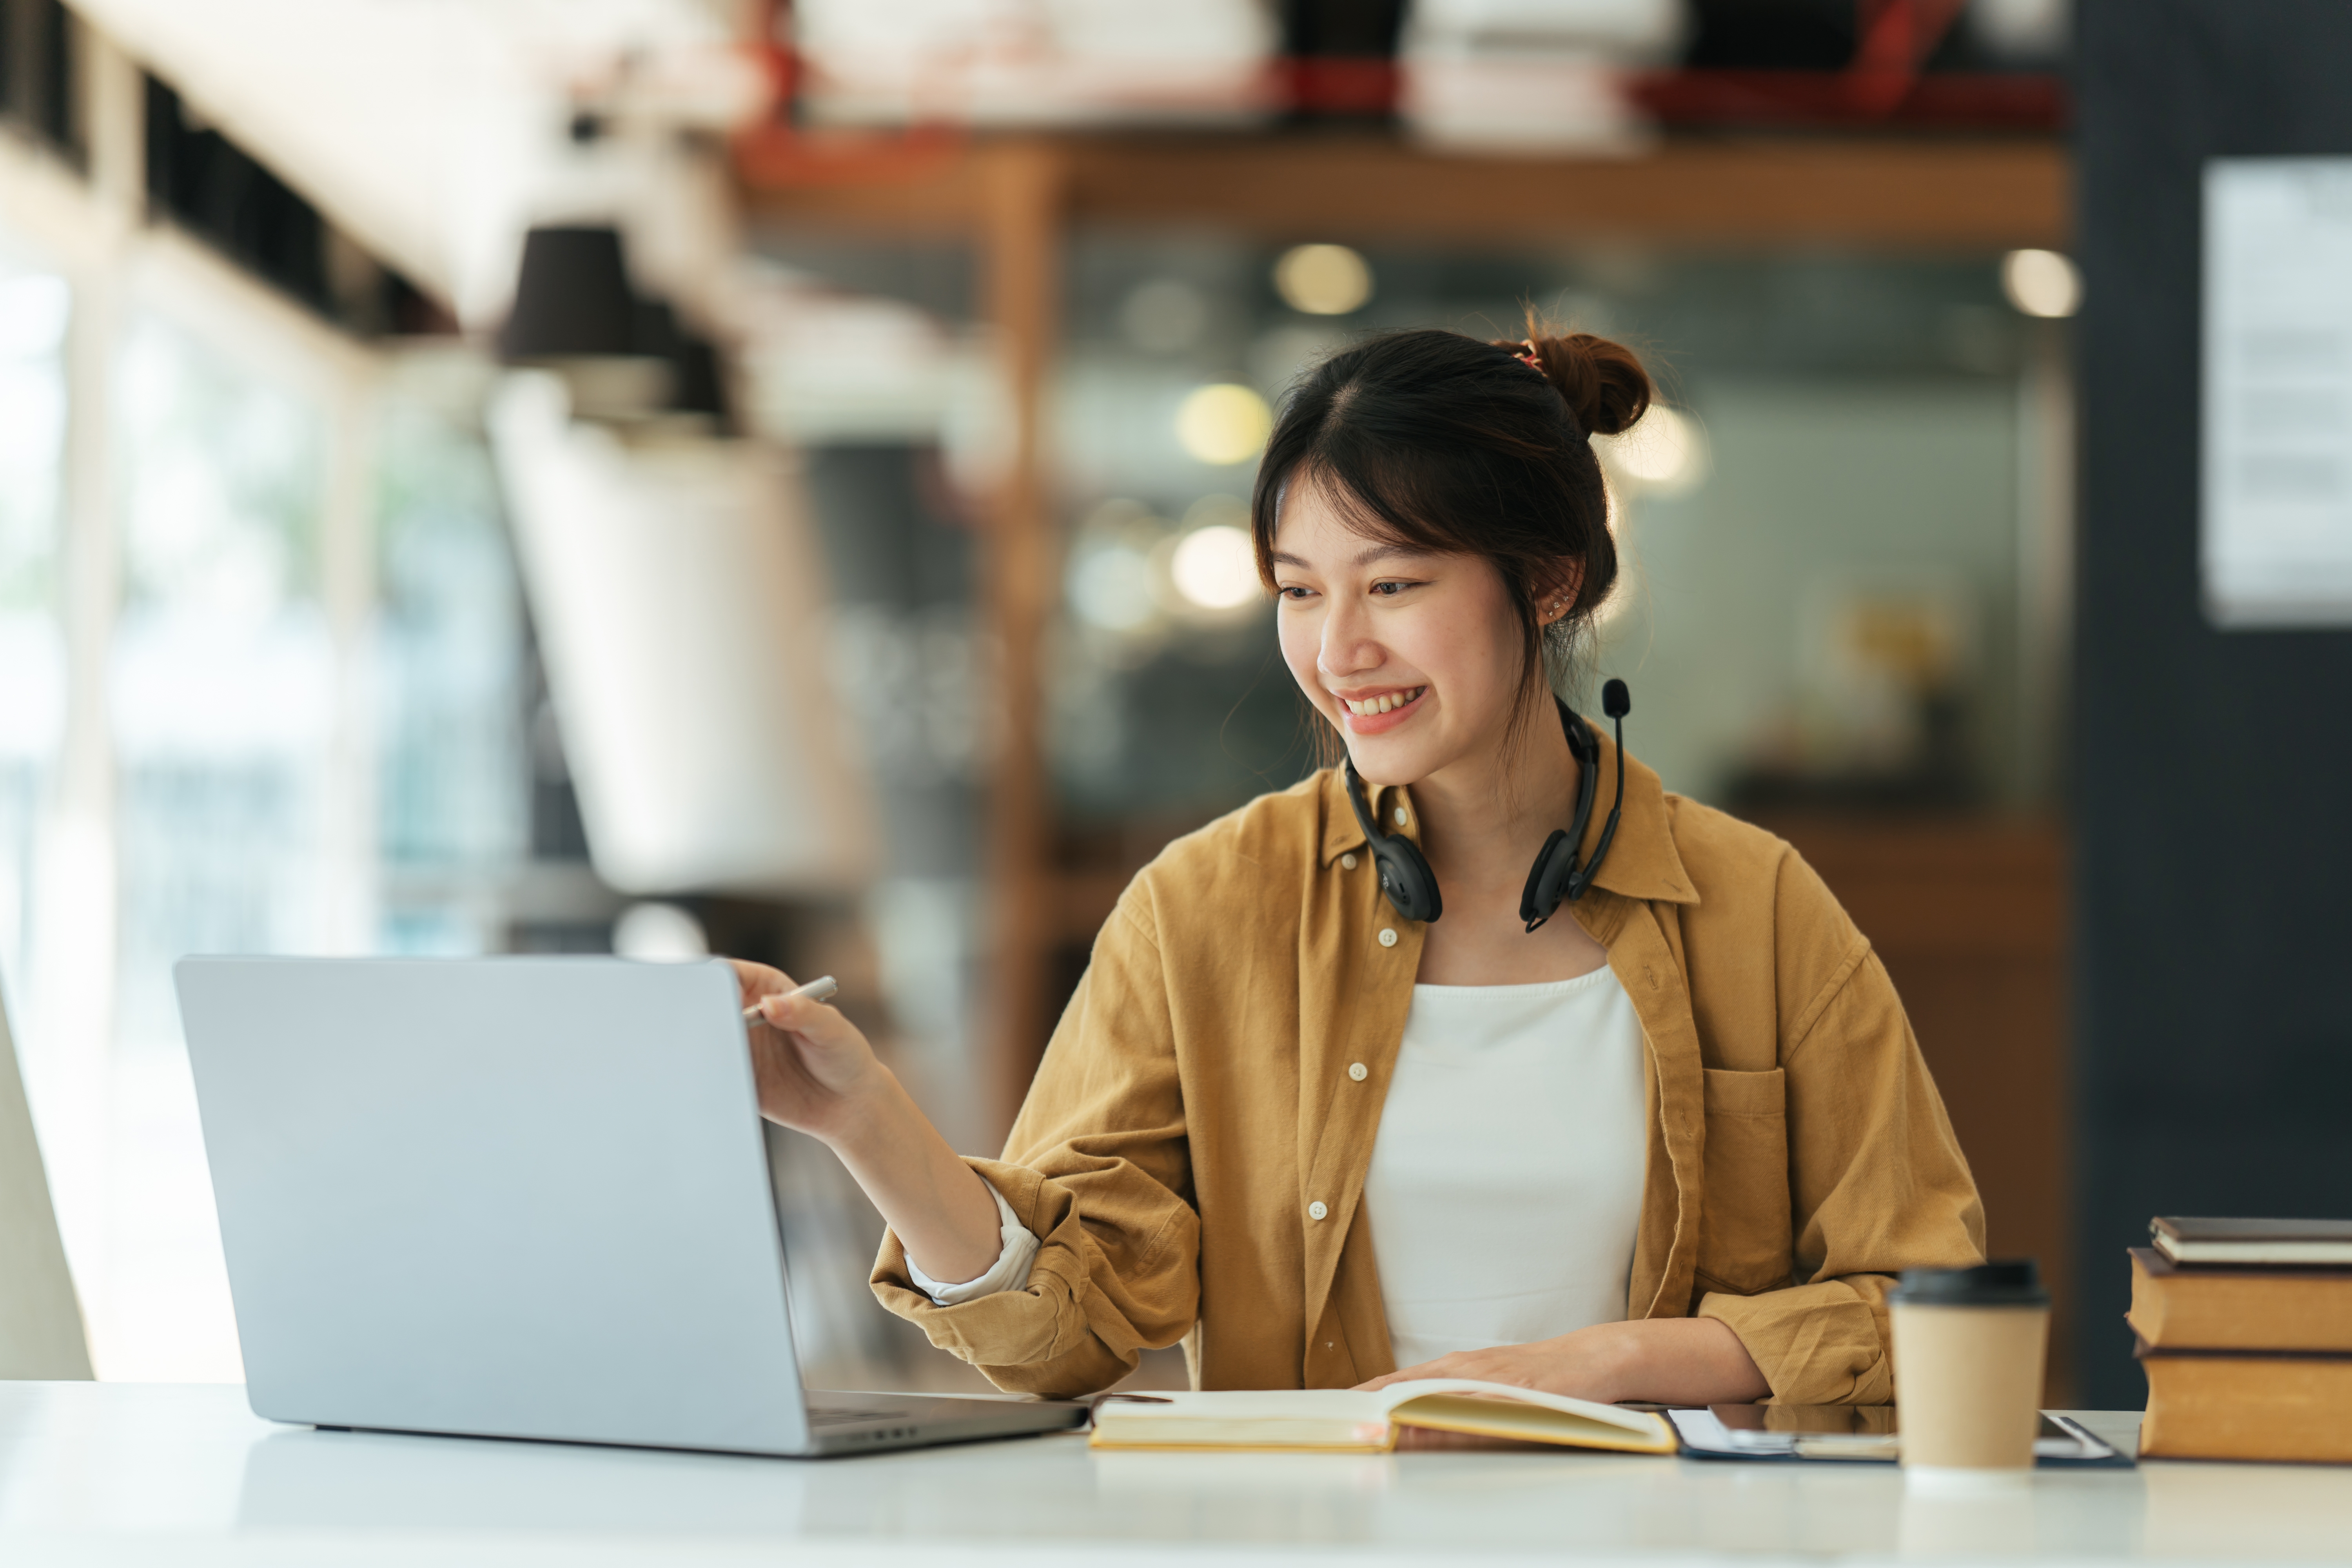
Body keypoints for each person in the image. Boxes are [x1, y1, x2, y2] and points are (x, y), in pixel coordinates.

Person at [731, 325, 1984, 1405]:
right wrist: (865, 1122)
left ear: (1545, 583)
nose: (1339, 652)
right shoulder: (1203, 909)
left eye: (1393, 583)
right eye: (1297, 591)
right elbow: (1069, 1332)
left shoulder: (1758, 908)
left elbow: (1932, 1304)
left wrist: (1611, 1363)